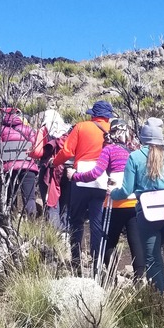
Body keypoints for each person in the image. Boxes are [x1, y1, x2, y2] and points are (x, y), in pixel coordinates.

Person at [110, 118, 164, 291]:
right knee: (155, 254)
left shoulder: (135, 157)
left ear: (143, 137)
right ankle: (163, 292)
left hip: (148, 216)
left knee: (151, 257)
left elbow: (125, 190)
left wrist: (113, 193)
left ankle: (159, 298)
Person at [70, 120, 142, 277]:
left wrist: (75, 176)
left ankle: (110, 278)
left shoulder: (109, 150)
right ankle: (139, 282)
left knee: (109, 241)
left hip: (114, 202)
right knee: (135, 242)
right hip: (134, 201)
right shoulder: (135, 151)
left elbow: (96, 173)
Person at [53, 100, 112, 270]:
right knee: (97, 222)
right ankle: (97, 261)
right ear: (107, 117)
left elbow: (67, 152)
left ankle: (76, 258)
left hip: (79, 177)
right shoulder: (111, 131)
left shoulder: (81, 127)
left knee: (76, 219)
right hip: (102, 178)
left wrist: (54, 163)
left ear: (93, 115)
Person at [0, 105, 39, 217]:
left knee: (9, 196)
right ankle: (31, 225)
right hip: (28, 167)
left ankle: (10, 222)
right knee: (29, 197)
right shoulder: (28, 129)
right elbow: (35, 147)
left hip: (8, 168)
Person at [31, 107, 70, 226]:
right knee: (65, 203)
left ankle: (54, 234)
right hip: (67, 168)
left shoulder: (44, 130)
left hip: (49, 169)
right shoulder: (68, 130)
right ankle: (65, 232)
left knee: (51, 202)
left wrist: (31, 153)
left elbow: (37, 152)